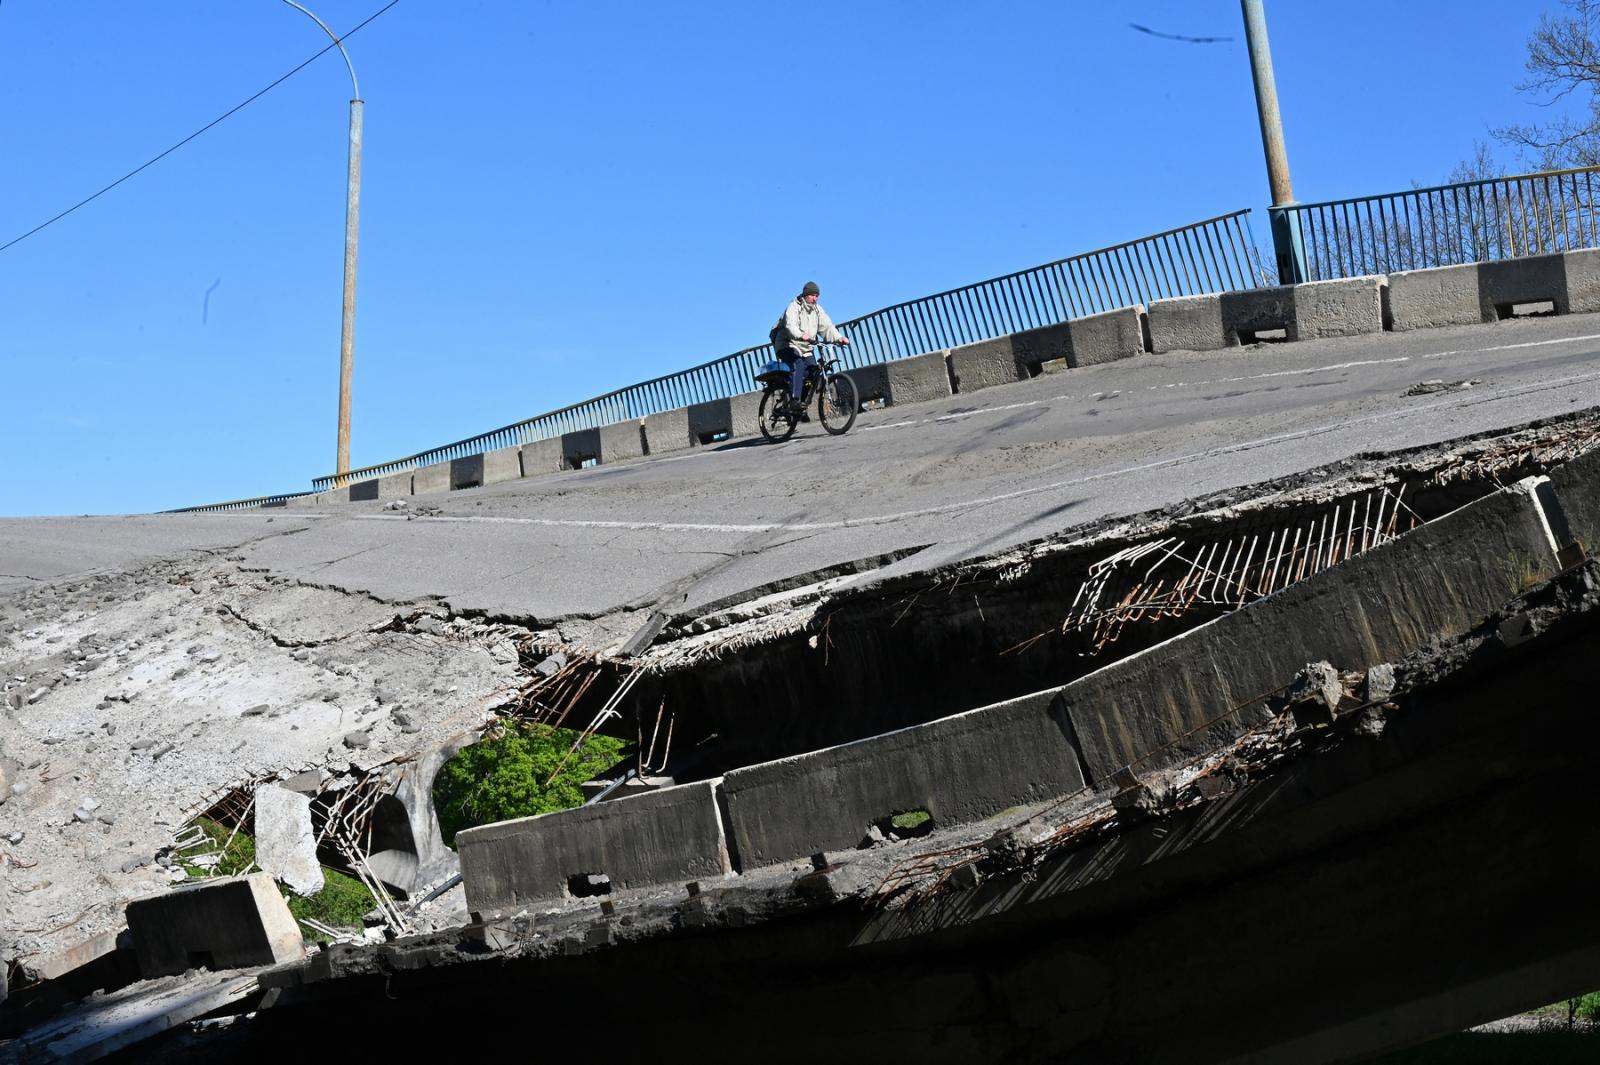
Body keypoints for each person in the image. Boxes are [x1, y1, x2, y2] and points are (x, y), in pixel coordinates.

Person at [773, 281, 849, 413]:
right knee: (798, 364)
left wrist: (839, 338)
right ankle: (795, 400)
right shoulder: (794, 306)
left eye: (817, 296)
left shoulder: (817, 310)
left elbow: (827, 327)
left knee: (814, 371)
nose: (815, 298)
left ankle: (801, 404)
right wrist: (800, 335)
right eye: (813, 295)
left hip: (805, 348)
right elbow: (790, 325)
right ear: (805, 295)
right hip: (787, 344)